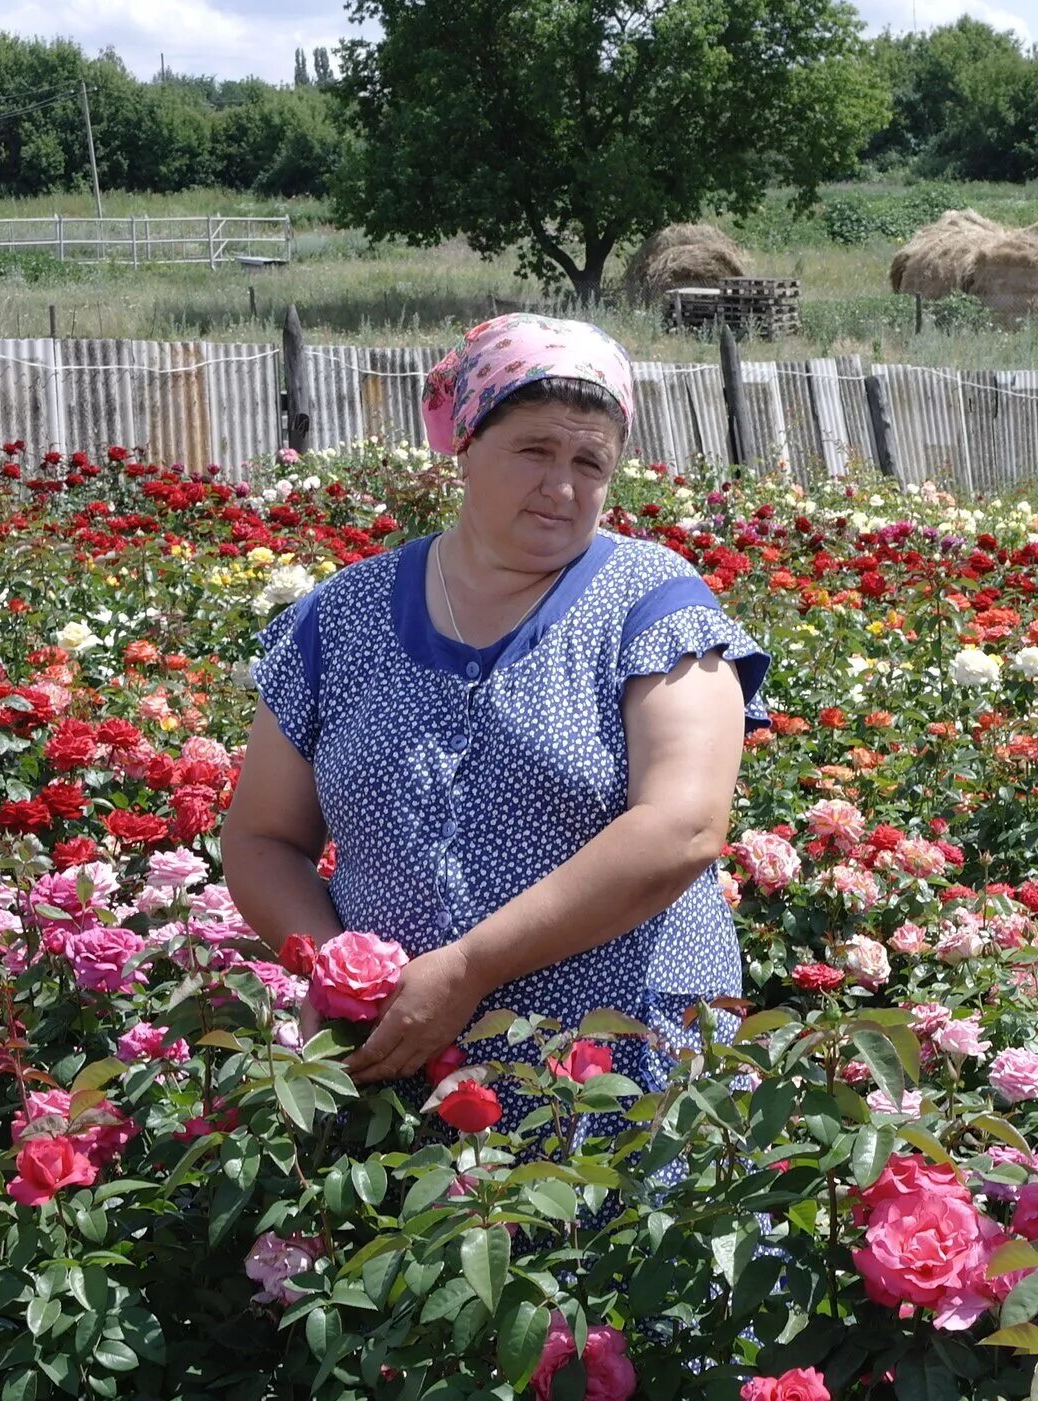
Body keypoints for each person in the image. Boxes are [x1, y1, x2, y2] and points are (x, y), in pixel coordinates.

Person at [224, 314, 769, 1146]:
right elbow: (262, 838)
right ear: (465, 443)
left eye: (590, 462)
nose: (562, 486)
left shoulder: (654, 604)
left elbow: (683, 827)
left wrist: (469, 970)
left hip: (614, 1067)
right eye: (534, 451)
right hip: (398, 1063)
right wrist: (343, 976)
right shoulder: (341, 616)